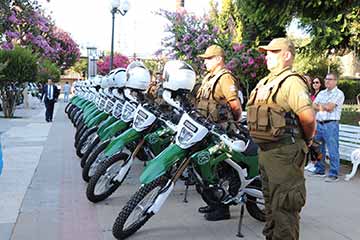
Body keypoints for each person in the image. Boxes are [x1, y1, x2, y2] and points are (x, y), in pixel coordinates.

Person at [247, 38, 316, 240]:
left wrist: (309, 140)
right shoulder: (265, 82)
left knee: (285, 208)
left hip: (285, 154)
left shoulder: (292, 81)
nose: (267, 56)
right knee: (271, 206)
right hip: (267, 153)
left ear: (287, 55)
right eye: (267, 52)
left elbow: (308, 118)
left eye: (273, 52)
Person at [195, 44, 243, 221]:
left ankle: (223, 207)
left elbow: (235, 105)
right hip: (207, 130)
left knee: (224, 170)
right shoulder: (209, 77)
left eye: (208, 59)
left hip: (221, 131)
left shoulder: (225, 78)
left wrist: (235, 122)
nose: (205, 62)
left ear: (218, 59)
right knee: (205, 169)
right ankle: (214, 202)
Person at [312, 73, 344, 182]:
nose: (327, 81)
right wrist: (324, 106)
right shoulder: (321, 93)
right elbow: (313, 105)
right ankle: (320, 169)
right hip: (319, 124)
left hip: (331, 125)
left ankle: (333, 174)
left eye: (330, 79)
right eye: (326, 79)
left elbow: (330, 108)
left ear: (335, 81)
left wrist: (320, 106)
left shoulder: (339, 94)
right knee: (318, 149)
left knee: (332, 149)